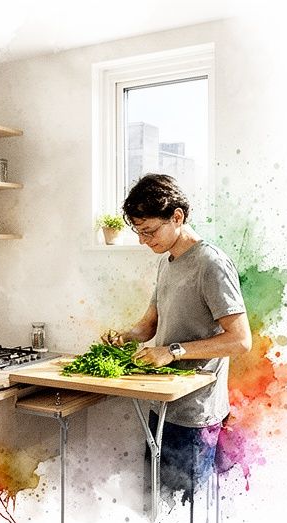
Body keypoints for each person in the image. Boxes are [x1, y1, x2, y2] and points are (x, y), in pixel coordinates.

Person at [101, 173, 251, 505]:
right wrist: (126, 336)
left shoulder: (211, 264)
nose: (144, 240)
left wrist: (172, 351)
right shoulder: (166, 263)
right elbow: (150, 325)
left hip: (196, 412)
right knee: (155, 504)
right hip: (164, 403)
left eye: (149, 231)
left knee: (185, 513)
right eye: (138, 232)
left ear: (177, 217)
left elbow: (240, 340)